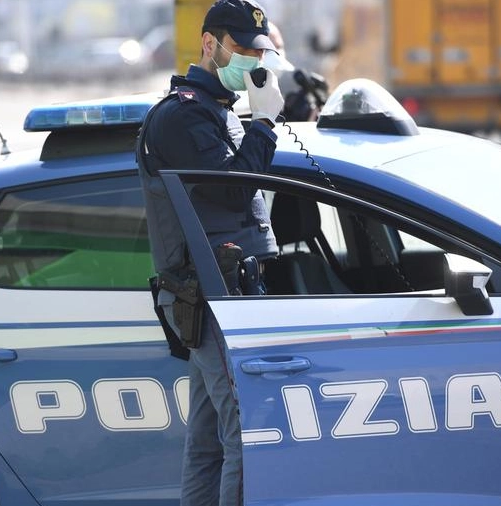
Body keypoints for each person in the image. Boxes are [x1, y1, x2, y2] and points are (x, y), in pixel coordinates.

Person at [135, 1, 284, 505]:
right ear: (210, 44)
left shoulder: (215, 110)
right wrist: (264, 124)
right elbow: (232, 191)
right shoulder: (180, 117)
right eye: (242, 49)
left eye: (258, 50)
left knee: (208, 444)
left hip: (225, 289)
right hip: (210, 294)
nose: (252, 60)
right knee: (245, 433)